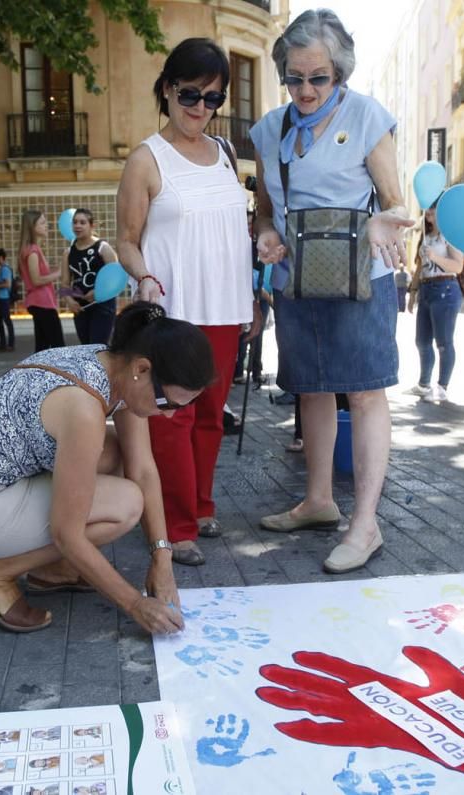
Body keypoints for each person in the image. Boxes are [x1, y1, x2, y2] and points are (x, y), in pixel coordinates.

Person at [0, 302, 209, 635]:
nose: (171, 415)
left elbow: (142, 467)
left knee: (115, 449)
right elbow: (67, 532)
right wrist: (134, 604)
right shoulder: (83, 407)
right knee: (126, 504)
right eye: (168, 403)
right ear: (142, 369)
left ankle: (55, 570)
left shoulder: (115, 364)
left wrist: (162, 558)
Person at [249, 10, 412, 573]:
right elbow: (265, 208)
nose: (306, 89)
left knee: (364, 393)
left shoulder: (368, 117)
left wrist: (381, 221)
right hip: (296, 278)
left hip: (361, 280)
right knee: (311, 389)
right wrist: (267, 234)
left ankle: (365, 525)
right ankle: (319, 502)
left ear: (339, 72)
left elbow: (397, 204)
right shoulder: (268, 130)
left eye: (319, 77)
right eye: (295, 78)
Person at [116, 37, 257, 565]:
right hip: (174, 312)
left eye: (214, 98)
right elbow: (127, 238)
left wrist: (251, 301)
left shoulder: (225, 154)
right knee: (171, 419)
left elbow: (235, 230)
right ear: (168, 89)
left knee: (210, 416)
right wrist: (144, 275)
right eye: (190, 94)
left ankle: (199, 505)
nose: (201, 108)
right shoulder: (145, 160)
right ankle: (175, 527)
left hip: (226, 307)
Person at [407, 203, 464, 402]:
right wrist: (413, 291)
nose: (428, 212)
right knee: (422, 340)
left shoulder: (451, 236)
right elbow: (420, 266)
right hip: (426, 288)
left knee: (443, 342)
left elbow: (457, 266)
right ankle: (424, 383)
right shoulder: (426, 236)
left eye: (434, 208)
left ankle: (442, 385)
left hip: (445, 288)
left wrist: (436, 257)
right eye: (427, 209)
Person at [63, 208, 118, 345]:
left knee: (98, 347)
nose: (78, 226)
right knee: (86, 348)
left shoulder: (102, 247)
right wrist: (69, 300)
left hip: (102, 306)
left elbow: (115, 277)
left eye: (82, 222)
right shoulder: (68, 252)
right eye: (75, 222)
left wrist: (98, 291)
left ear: (91, 226)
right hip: (80, 308)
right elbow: (64, 284)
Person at [19, 210, 65, 352]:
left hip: (40, 303)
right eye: (43, 223)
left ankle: (37, 373)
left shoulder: (34, 249)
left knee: (42, 348)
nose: (47, 225)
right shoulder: (32, 250)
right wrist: (59, 273)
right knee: (58, 346)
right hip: (42, 303)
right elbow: (36, 280)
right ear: (33, 227)